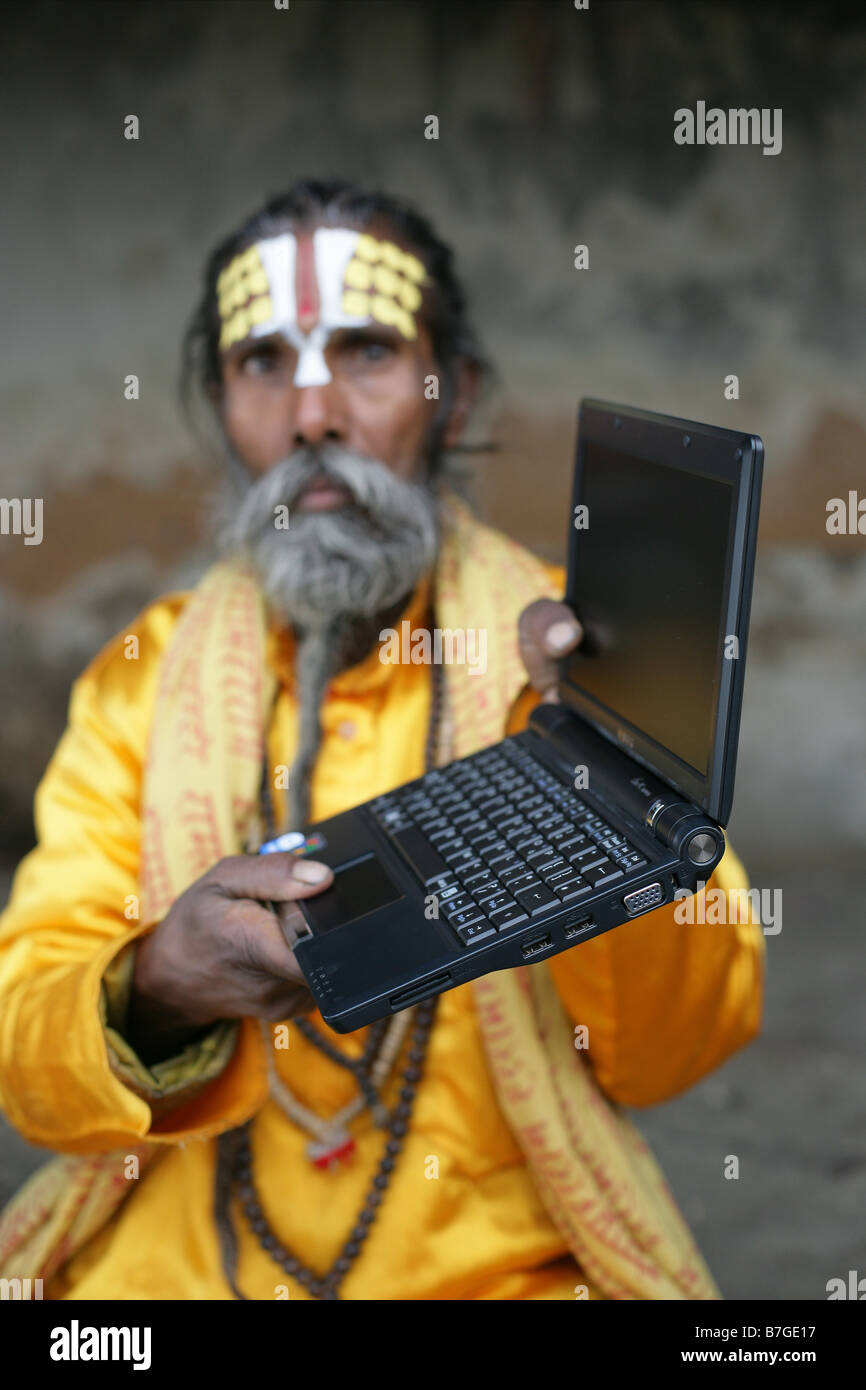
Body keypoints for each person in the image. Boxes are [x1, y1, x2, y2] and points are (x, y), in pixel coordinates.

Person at [0, 179, 764, 1301]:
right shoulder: (141, 680)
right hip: (174, 1273)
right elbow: (26, 1054)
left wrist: (601, 767)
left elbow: (676, 1049)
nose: (312, 415)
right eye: (263, 362)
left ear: (449, 398)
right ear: (219, 405)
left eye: (362, 350)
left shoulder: (566, 647)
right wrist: (161, 980)